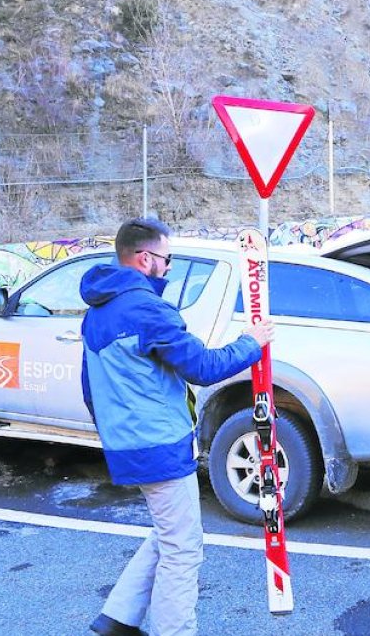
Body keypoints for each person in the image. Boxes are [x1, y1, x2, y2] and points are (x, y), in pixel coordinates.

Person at [81, 218, 274, 636]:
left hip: (129, 443)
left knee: (169, 531)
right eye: (167, 260)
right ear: (145, 259)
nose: (169, 268)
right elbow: (203, 367)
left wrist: (118, 433)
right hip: (160, 445)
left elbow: (89, 388)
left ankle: (117, 618)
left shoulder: (97, 310)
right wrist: (251, 343)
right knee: (183, 548)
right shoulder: (146, 309)